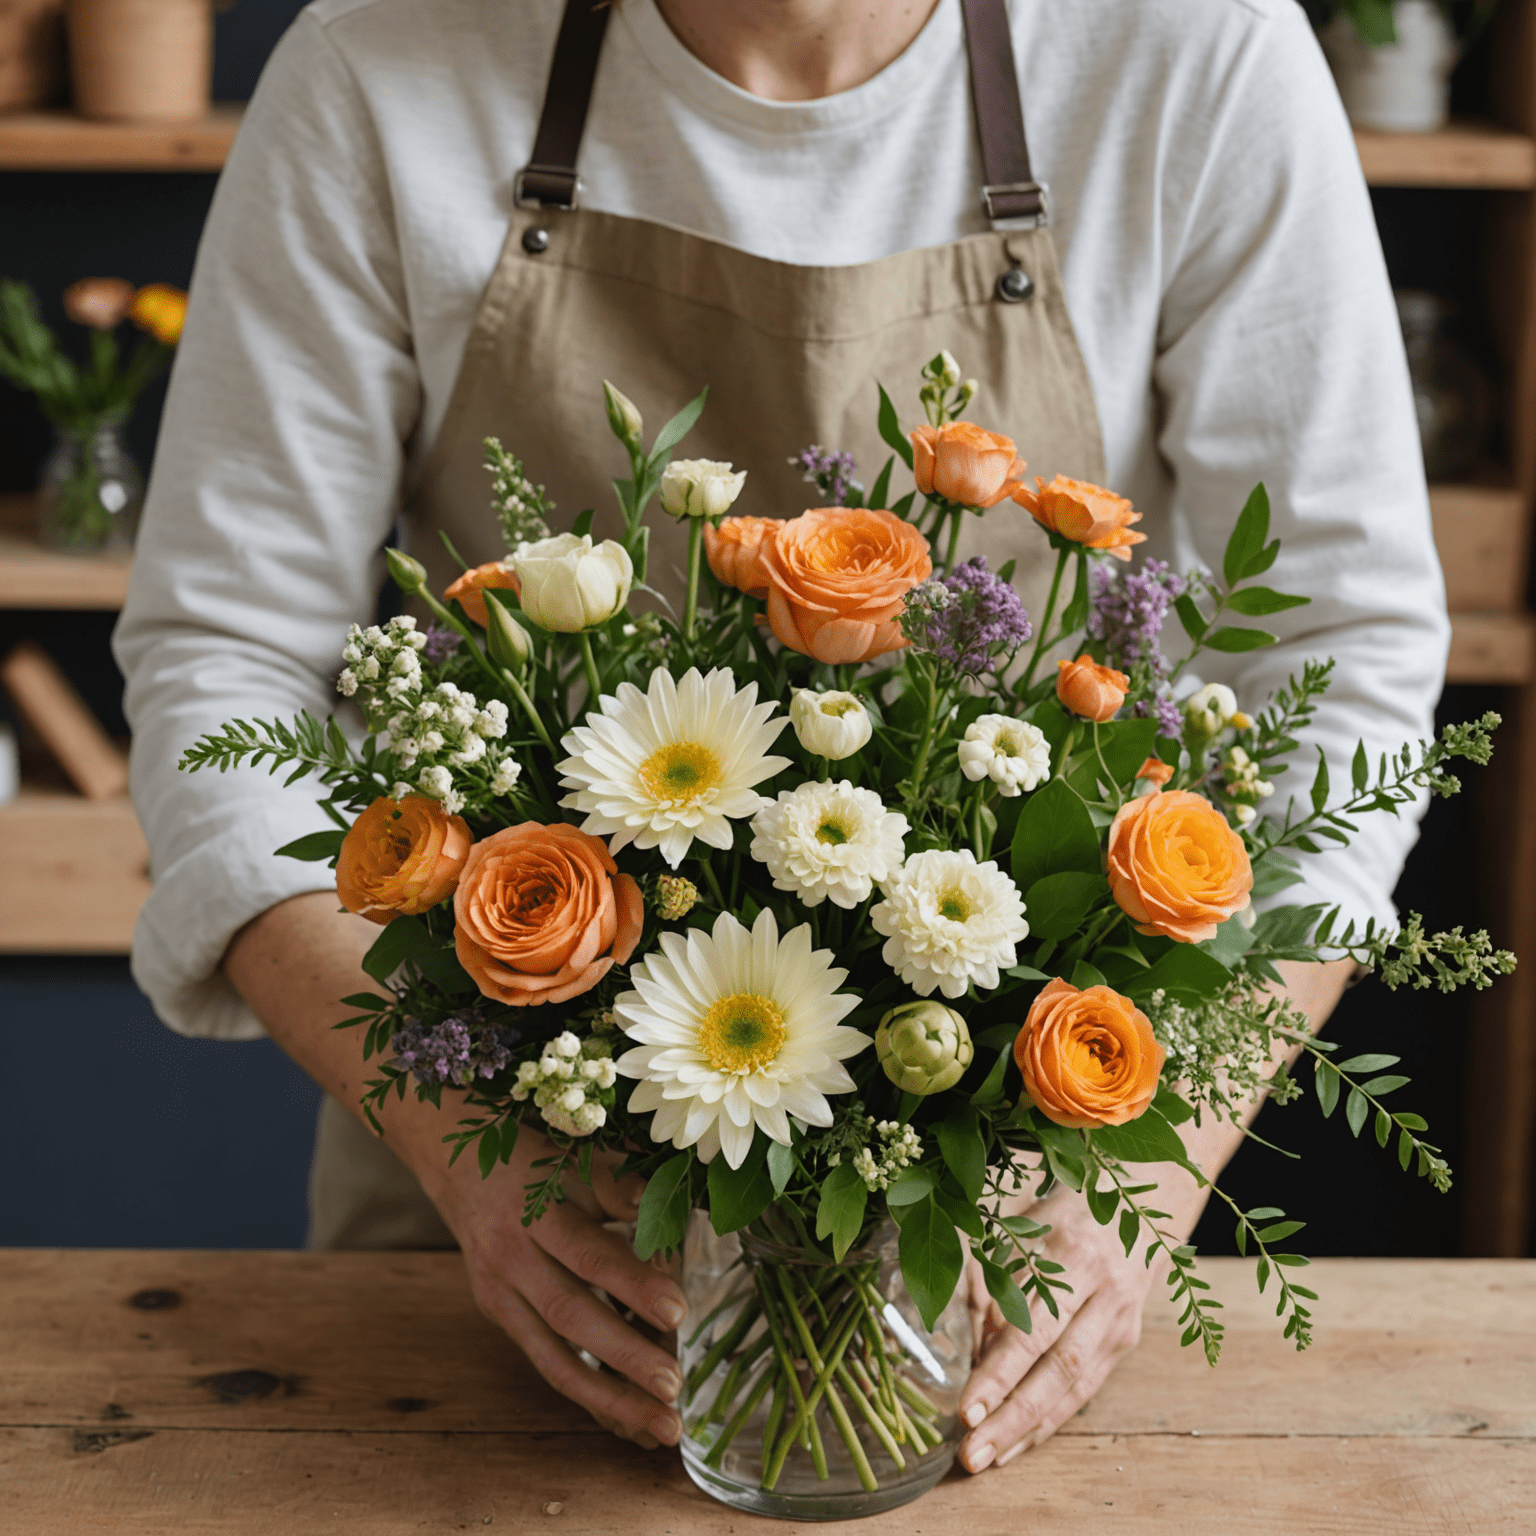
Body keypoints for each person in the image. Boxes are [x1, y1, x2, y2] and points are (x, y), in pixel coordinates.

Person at [114, 0, 1447, 1473]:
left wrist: (1161, 1152)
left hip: (1003, 1233)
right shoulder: (380, 67)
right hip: (505, 1214)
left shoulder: (1192, 56)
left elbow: (1348, 643)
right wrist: (449, 1137)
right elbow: (222, 654)